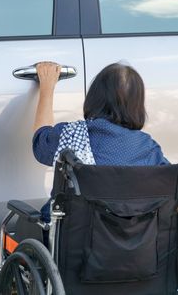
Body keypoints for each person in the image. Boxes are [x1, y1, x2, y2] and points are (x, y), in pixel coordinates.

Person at [32, 61, 169, 222]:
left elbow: (40, 143)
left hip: (75, 235)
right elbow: (167, 186)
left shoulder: (72, 134)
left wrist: (47, 88)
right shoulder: (149, 148)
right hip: (135, 240)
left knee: (25, 224)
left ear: (94, 97)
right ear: (137, 105)